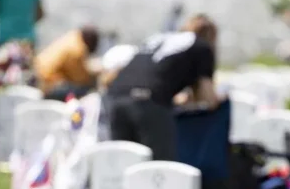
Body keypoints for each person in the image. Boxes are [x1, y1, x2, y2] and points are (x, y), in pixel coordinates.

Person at [106, 14, 221, 162]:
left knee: (123, 164)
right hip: (149, 100)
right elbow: (209, 99)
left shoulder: (160, 38)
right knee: (160, 170)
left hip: (116, 97)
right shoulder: (201, 46)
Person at [34, 25, 100, 100]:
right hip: (47, 84)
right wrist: (94, 75)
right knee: (87, 91)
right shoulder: (77, 49)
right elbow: (80, 79)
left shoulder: (73, 37)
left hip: (39, 73)